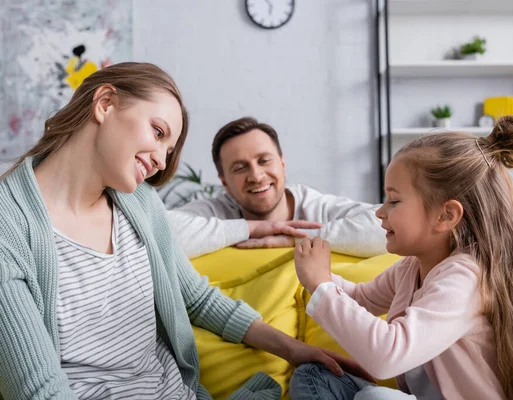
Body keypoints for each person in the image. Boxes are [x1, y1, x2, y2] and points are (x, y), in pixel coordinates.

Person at [0, 62, 371, 400]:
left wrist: (293, 349)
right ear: (105, 103)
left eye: (169, 149)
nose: (161, 161)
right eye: (158, 132)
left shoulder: (140, 204)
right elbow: (39, 392)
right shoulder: (9, 223)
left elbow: (196, 299)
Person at [289, 116, 513, 400]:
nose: (380, 212)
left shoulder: (465, 279)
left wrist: (322, 286)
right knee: (314, 374)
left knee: (375, 398)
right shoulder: (412, 267)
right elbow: (360, 299)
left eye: (394, 200)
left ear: (445, 215)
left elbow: (386, 357)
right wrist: (319, 276)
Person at [167, 117, 386, 259]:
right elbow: (159, 234)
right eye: (240, 168)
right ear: (224, 182)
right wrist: (249, 229)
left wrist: (297, 238)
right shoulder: (215, 211)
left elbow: (389, 226)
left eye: (264, 161)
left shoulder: (316, 208)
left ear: (282, 164)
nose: (256, 176)